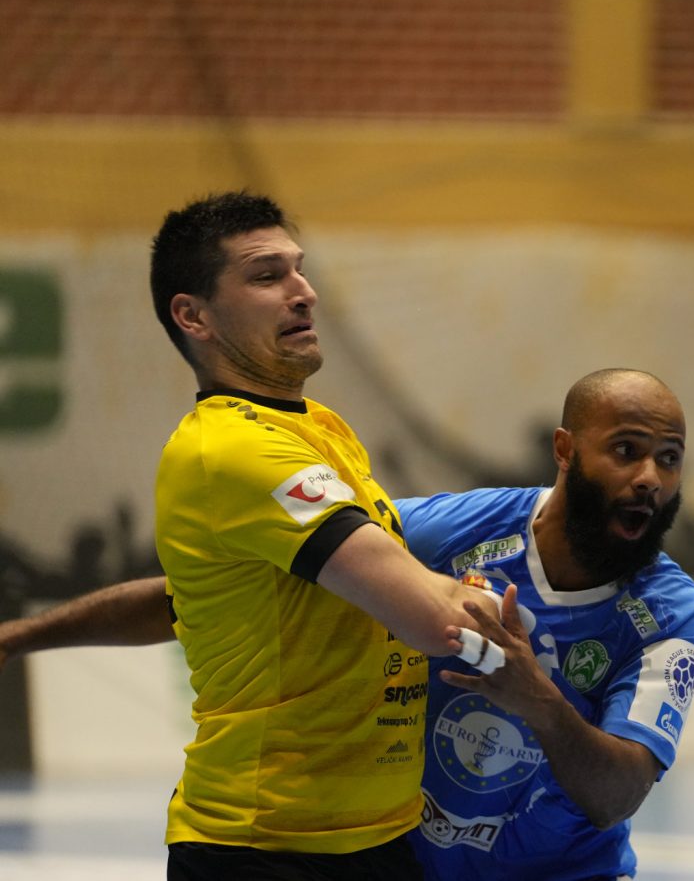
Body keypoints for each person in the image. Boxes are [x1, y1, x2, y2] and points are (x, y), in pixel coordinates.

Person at [0, 367, 694, 881]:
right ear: (565, 450)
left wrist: (537, 698)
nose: (649, 478)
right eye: (626, 450)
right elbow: (204, 595)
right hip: (403, 865)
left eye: (669, 459)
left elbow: (617, 796)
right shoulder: (450, 534)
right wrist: (21, 636)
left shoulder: (672, 615)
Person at [124, 190, 503, 878]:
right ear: (193, 316)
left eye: (299, 270)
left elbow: (185, 601)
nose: (304, 292)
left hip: (377, 834)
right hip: (264, 846)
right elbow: (436, 622)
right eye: (267, 276)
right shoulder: (233, 449)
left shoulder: (321, 428)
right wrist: (487, 599)